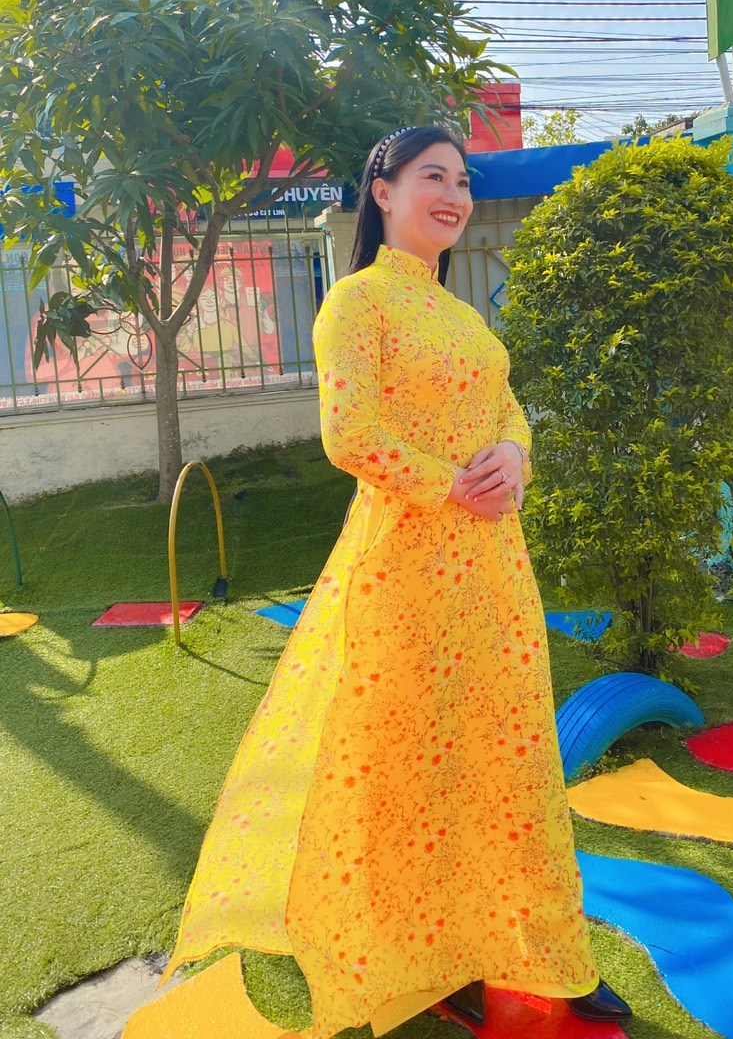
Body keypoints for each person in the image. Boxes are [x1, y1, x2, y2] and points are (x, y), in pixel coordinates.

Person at [160, 125, 631, 1036]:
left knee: (511, 761)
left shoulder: (464, 317)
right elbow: (349, 433)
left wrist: (515, 457)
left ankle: (548, 954)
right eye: (432, 177)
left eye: (463, 180)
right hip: (406, 569)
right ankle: (431, 958)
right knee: (412, 769)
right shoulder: (357, 302)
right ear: (383, 191)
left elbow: (509, 411)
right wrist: (452, 485)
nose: (454, 195)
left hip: (492, 572)